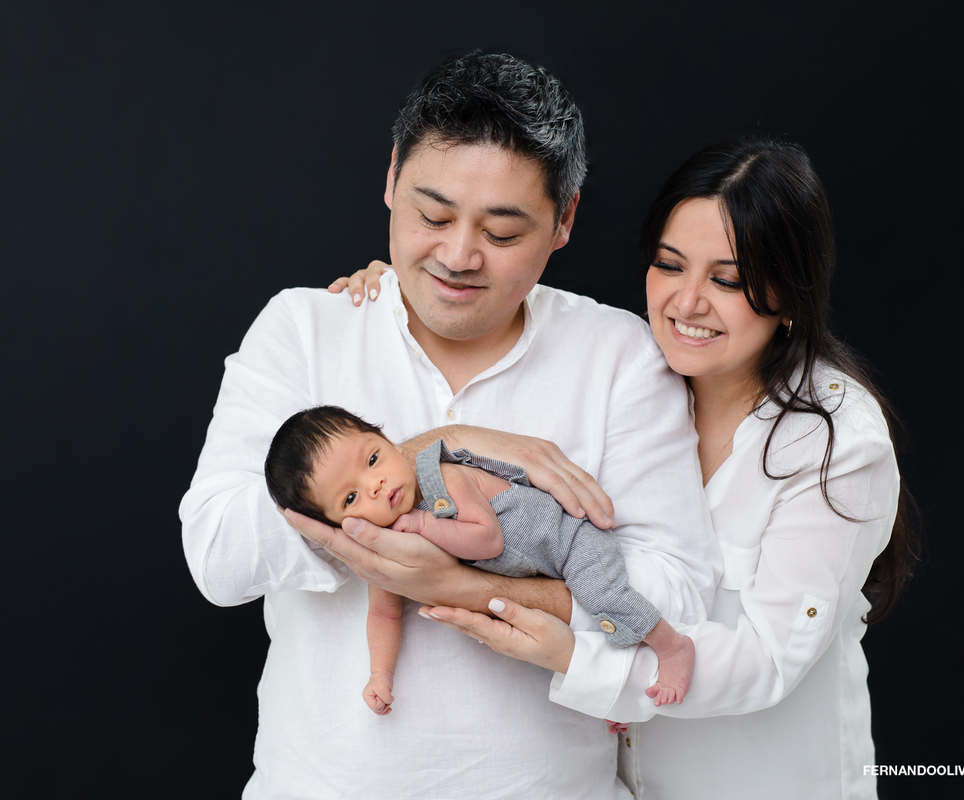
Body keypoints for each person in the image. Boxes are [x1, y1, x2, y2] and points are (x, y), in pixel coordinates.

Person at [179, 51, 719, 799]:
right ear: (392, 176)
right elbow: (217, 553)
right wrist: (436, 450)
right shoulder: (306, 327)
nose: (458, 256)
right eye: (432, 216)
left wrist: (461, 586)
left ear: (564, 220)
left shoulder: (618, 354)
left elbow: (683, 590)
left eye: (501, 233)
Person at [335, 137, 918, 799]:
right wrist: (392, 296)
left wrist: (570, 653)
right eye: (670, 266)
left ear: (789, 295)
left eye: (726, 280)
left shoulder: (837, 442)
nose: (687, 302)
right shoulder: (632, 377)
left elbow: (767, 660)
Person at [263, 406, 696, 715]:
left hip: (568, 538)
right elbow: (383, 614)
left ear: (389, 440)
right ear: (339, 526)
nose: (375, 485)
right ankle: (620, 693)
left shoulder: (442, 476)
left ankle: (672, 646)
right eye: (351, 497)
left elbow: (486, 539)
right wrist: (380, 675)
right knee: (537, 632)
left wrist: (424, 526)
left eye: (373, 458)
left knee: (600, 594)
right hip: (536, 570)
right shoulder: (386, 553)